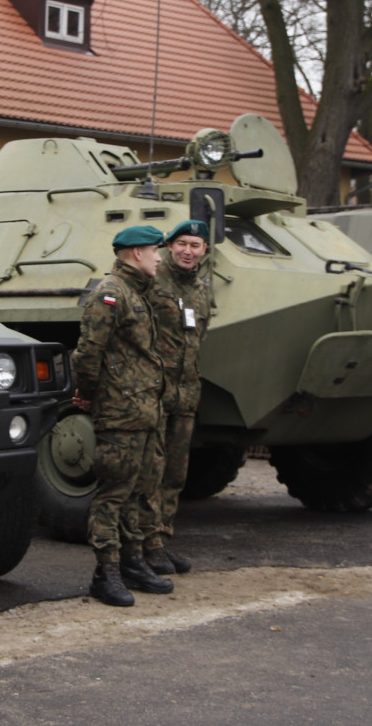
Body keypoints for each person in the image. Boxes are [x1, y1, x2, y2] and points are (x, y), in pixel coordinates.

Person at [71, 224, 174, 607]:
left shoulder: (137, 293)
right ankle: (106, 571)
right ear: (135, 254)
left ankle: (132, 561)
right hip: (120, 412)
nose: (159, 257)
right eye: (154, 251)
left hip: (144, 409)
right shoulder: (112, 293)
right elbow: (88, 353)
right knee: (113, 492)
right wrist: (88, 394)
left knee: (139, 489)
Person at [142, 219, 212, 575]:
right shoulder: (152, 281)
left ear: (204, 252)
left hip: (186, 393)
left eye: (195, 245)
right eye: (181, 243)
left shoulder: (201, 290)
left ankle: (162, 538)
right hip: (155, 390)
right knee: (149, 471)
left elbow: (198, 339)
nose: (187, 251)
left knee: (175, 473)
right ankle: (144, 543)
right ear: (170, 246)